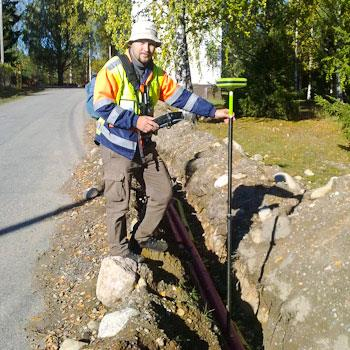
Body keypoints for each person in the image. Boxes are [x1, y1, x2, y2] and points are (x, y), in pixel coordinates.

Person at [93, 20, 229, 263]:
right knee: (119, 202)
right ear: (131, 44)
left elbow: (183, 98)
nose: (147, 48)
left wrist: (213, 112)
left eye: (152, 44)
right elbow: (101, 105)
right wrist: (135, 120)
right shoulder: (113, 69)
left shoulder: (156, 74)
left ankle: (142, 237)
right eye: (142, 42)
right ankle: (120, 252)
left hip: (143, 146)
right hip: (117, 146)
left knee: (164, 192)